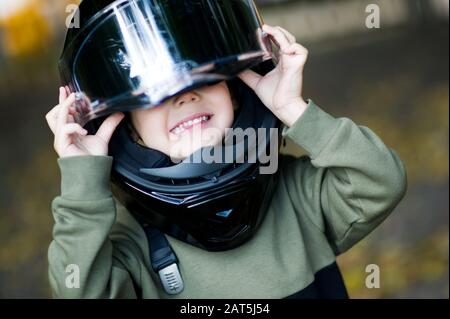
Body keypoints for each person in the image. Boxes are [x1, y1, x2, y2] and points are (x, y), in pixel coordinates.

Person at [45, 0, 407, 298]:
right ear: (123, 125)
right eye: (154, 94)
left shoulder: (296, 196)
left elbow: (381, 180)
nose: (186, 95)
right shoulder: (133, 247)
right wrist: (82, 185)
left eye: (204, 74)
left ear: (236, 88)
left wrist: (294, 111)